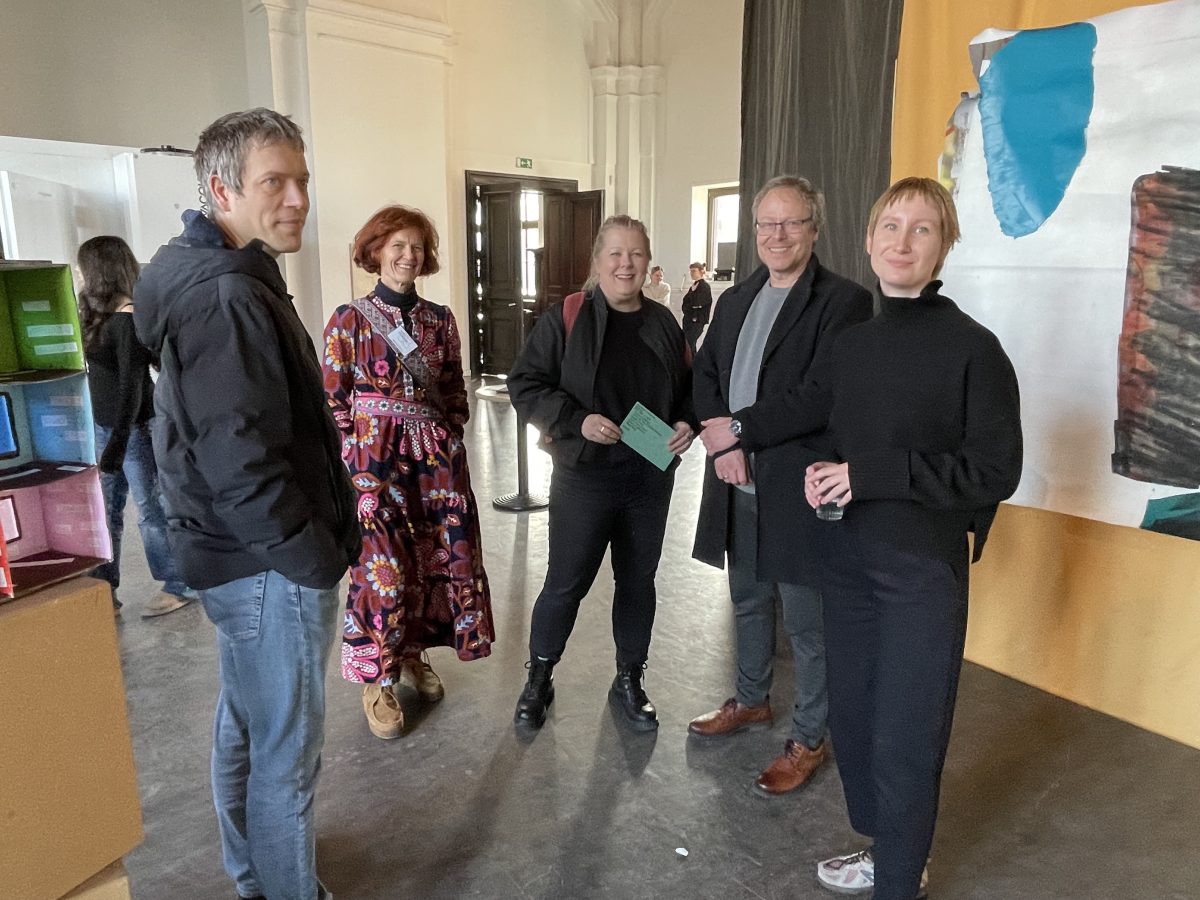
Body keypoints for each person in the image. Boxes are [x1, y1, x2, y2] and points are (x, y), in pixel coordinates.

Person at [134, 108, 359, 900]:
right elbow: (242, 460)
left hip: (232, 557)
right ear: (222, 190)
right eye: (274, 182)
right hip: (266, 565)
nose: (297, 198)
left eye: (302, 180)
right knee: (285, 758)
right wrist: (310, 557)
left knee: (248, 725)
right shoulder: (226, 295)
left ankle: (253, 878)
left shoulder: (208, 271)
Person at [805, 177, 1022, 900]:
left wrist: (872, 475)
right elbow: (838, 436)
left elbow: (994, 470)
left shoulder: (974, 350)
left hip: (920, 574)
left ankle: (898, 881)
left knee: (906, 735)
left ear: (944, 246)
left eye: (922, 228)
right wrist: (822, 473)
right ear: (869, 240)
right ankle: (888, 854)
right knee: (855, 722)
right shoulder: (852, 345)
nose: (903, 241)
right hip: (848, 565)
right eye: (891, 226)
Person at [688, 175, 872, 796]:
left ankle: (809, 738)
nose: (777, 234)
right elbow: (706, 374)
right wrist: (724, 446)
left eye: (791, 222)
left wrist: (739, 432)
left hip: (798, 488)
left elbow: (820, 396)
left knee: (806, 623)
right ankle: (750, 699)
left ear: (814, 230)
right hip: (737, 481)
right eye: (767, 223)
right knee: (746, 597)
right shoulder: (737, 298)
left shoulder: (843, 303)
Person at [507, 215, 695, 733]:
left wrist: (687, 422)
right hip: (585, 478)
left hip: (648, 479)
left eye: (636, 253)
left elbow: (691, 388)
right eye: (615, 253)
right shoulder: (567, 317)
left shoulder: (664, 323)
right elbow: (525, 383)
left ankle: (629, 679)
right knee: (565, 583)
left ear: (648, 261)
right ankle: (539, 677)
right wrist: (577, 421)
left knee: (638, 581)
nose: (625, 264)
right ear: (597, 261)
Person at [322, 205, 494, 741]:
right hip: (375, 468)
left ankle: (414, 655)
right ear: (375, 251)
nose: (408, 255)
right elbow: (332, 400)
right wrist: (355, 459)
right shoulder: (348, 320)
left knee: (434, 561)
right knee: (384, 571)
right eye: (397, 245)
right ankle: (377, 680)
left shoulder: (440, 319)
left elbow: (455, 389)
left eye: (417, 247)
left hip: (436, 467)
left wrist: (450, 437)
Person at [76, 235, 196, 617]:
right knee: (106, 511)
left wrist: (117, 442)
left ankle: (178, 583)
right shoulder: (94, 315)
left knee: (151, 509)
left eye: (83, 266)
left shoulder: (128, 318)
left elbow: (132, 387)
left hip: (134, 429)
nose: (78, 272)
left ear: (100, 270)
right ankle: (105, 589)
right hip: (106, 428)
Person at [681, 261, 712, 354]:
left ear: (701, 271)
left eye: (694, 271)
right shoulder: (693, 286)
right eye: (690, 271)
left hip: (697, 320)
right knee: (689, 344)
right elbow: (685, 302)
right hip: (689, 319)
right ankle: (692, 360)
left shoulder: (704, 286)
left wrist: (691, 306)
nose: (691, 273)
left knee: (690, 342)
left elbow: (698, 302)